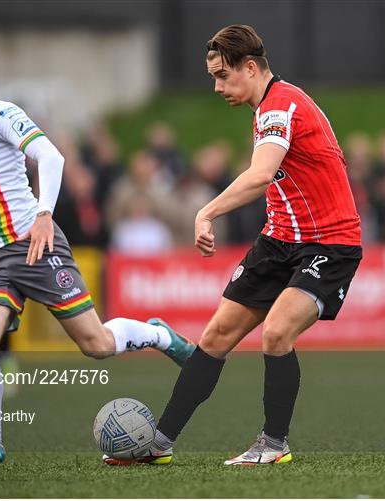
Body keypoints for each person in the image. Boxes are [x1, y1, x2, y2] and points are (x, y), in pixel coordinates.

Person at [0, 38, 195, 463]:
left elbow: (52, 157)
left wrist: (44, 213)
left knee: (95, 344)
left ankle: (157, 333)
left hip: (34, 244)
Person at [104, 24, 362, 466]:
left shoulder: (280, 106)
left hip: (329, 243)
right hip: (280, 239)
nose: (218, 86)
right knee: (215, 336)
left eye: (223, 76)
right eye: (212, 78)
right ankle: (157, 444)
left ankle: (274, 444)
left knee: (277, 331)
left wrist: (206, 212)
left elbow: (261, 175)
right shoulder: (267, 107)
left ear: (250, 66)